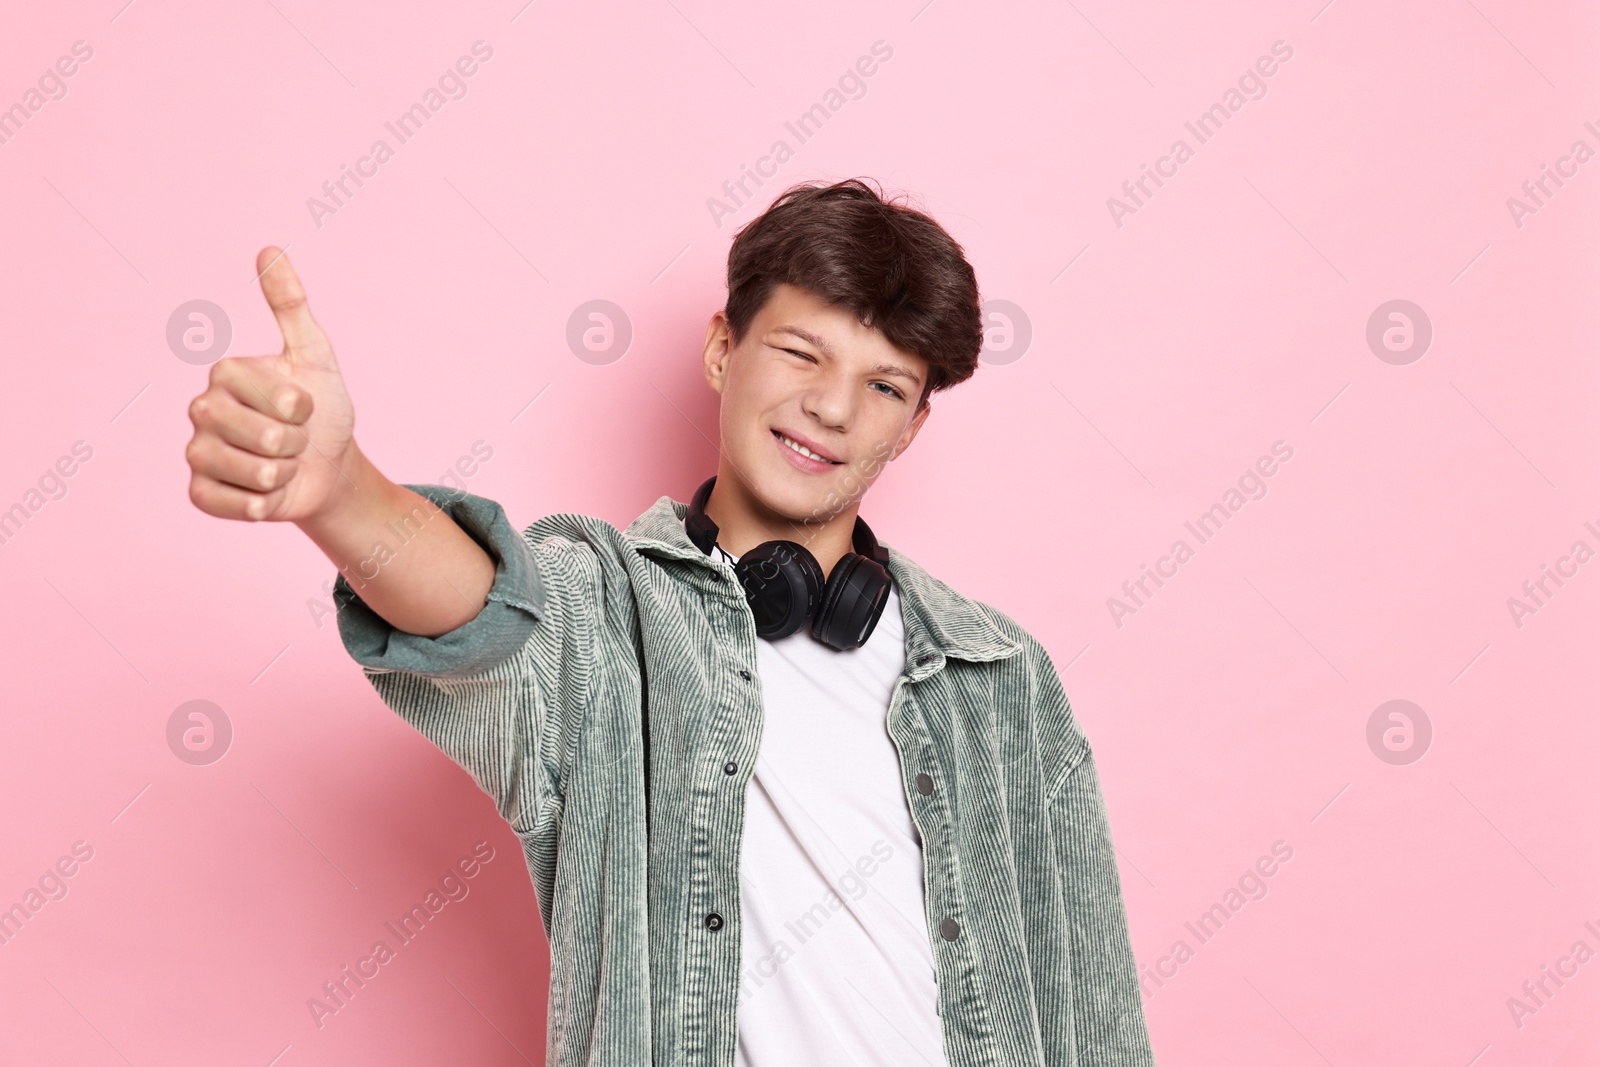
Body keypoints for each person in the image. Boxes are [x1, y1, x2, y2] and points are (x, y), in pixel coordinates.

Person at [183, 178, 1157, 1066]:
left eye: (885, 386)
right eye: (799, 351)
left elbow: (1099, 1016)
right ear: (722, 347)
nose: (831, 406)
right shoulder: (608, 614)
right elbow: (483, 610)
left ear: (910, 427)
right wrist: (340, 491)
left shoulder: (998, 673)